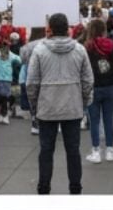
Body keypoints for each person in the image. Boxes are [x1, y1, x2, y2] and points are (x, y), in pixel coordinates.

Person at [25, 13, 94, 194]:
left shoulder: (40, 50)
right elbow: (88, 80)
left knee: (46, 150)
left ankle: (44, 186)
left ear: (51, 29)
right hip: (72, 106)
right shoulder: (79, 50)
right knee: (73, 150)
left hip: (47, 107)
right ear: (67, 29)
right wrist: (84, 102)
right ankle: (75, 187)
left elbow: (31, 82)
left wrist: (34, 106)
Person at [82, 18, 113, 164]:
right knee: (109, 119)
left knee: (94, 120)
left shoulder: (87, 47)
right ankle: (110, 150)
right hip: (111, 86)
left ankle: (96, 150)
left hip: (94, 87)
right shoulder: (112, 45)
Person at [0, 38, 21, 124]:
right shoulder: (10, 55)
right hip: (7, 79)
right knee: (4, 98)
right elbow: (19, 60)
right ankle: (4, 115)